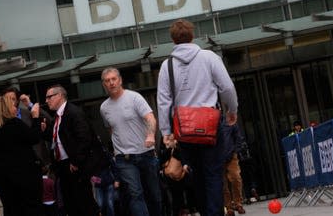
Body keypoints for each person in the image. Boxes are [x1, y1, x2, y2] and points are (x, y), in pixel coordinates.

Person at [157, 19, 238, 216]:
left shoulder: (167, 65)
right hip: (210, 124)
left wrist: (166, 132)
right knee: (213, 173)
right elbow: (226, 87)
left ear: (173, 39)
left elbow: (163, 100)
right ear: (192, 36)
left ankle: (204, 211)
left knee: (196, 173)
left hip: (185, 129)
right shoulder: (208, 57)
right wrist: (232, 110)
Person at [100, 67, 161, 216]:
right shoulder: (104, 108)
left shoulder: (134, 97)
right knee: (135, 194)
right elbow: (111, 130)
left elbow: (150, 118)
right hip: (124, 158)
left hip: (145, 153)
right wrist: (116, 150)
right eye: (107, 81)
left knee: (154, 195)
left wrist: (151, 135)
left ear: (120, 80)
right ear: (104, 85)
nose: (111, 83)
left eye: (114, 79)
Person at [44, 84, 105, 216]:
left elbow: (84, 138)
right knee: (71, 204)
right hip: (63, 167)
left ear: (59, 96)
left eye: (49, 97)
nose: (46, 100)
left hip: (75, 166)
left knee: (84, 202)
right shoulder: (57, 116)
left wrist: (76, 161)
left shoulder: (73, 112)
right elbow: (55, 139)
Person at [0, 95, 44, 216]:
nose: (16, 108)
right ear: (7, 108)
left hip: (3, 181)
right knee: (31, 208)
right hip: (24, 177)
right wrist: (35, 118)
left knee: (11, 209)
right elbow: (34, 138)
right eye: (13, 106)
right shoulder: (15, 124)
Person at [4, 87, 52, 166]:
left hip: (38, 161)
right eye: (6, 99)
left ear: (17, 101)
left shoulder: (29, 113)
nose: (9, 102)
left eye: (12, 99)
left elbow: (49, 120)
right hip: (16, 164)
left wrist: (30, 105)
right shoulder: (1, 120)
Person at [222, 123, 245, 216]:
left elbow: (238, 137)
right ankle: (228, 207)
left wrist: (235, 151)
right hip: (217, 158)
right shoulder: (209, 124)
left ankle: (238, 203)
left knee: (236, 177)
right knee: (222, 183)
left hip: (231, 155)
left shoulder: (229, 123)